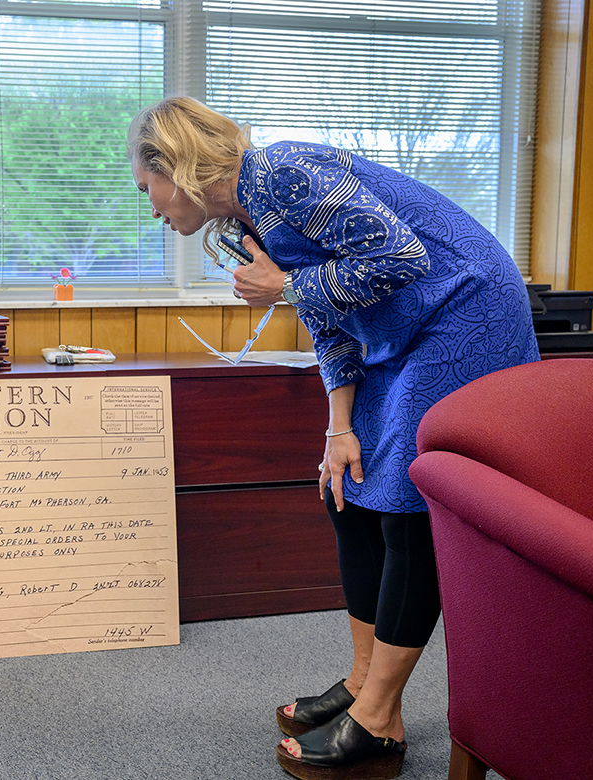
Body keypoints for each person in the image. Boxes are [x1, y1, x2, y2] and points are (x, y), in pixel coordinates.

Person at [128, 97, 539, 780]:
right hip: (399, 329)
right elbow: (329, 314)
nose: (152, 209)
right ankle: (361, 681)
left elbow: (401, 256)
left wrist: (287, 285)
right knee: (344, 490)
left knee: (406, 507)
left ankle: (379, 720)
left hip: (464, 311)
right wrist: (339, 427)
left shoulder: (282, 173)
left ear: (176, 164)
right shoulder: (246, 217)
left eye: (149, 189)